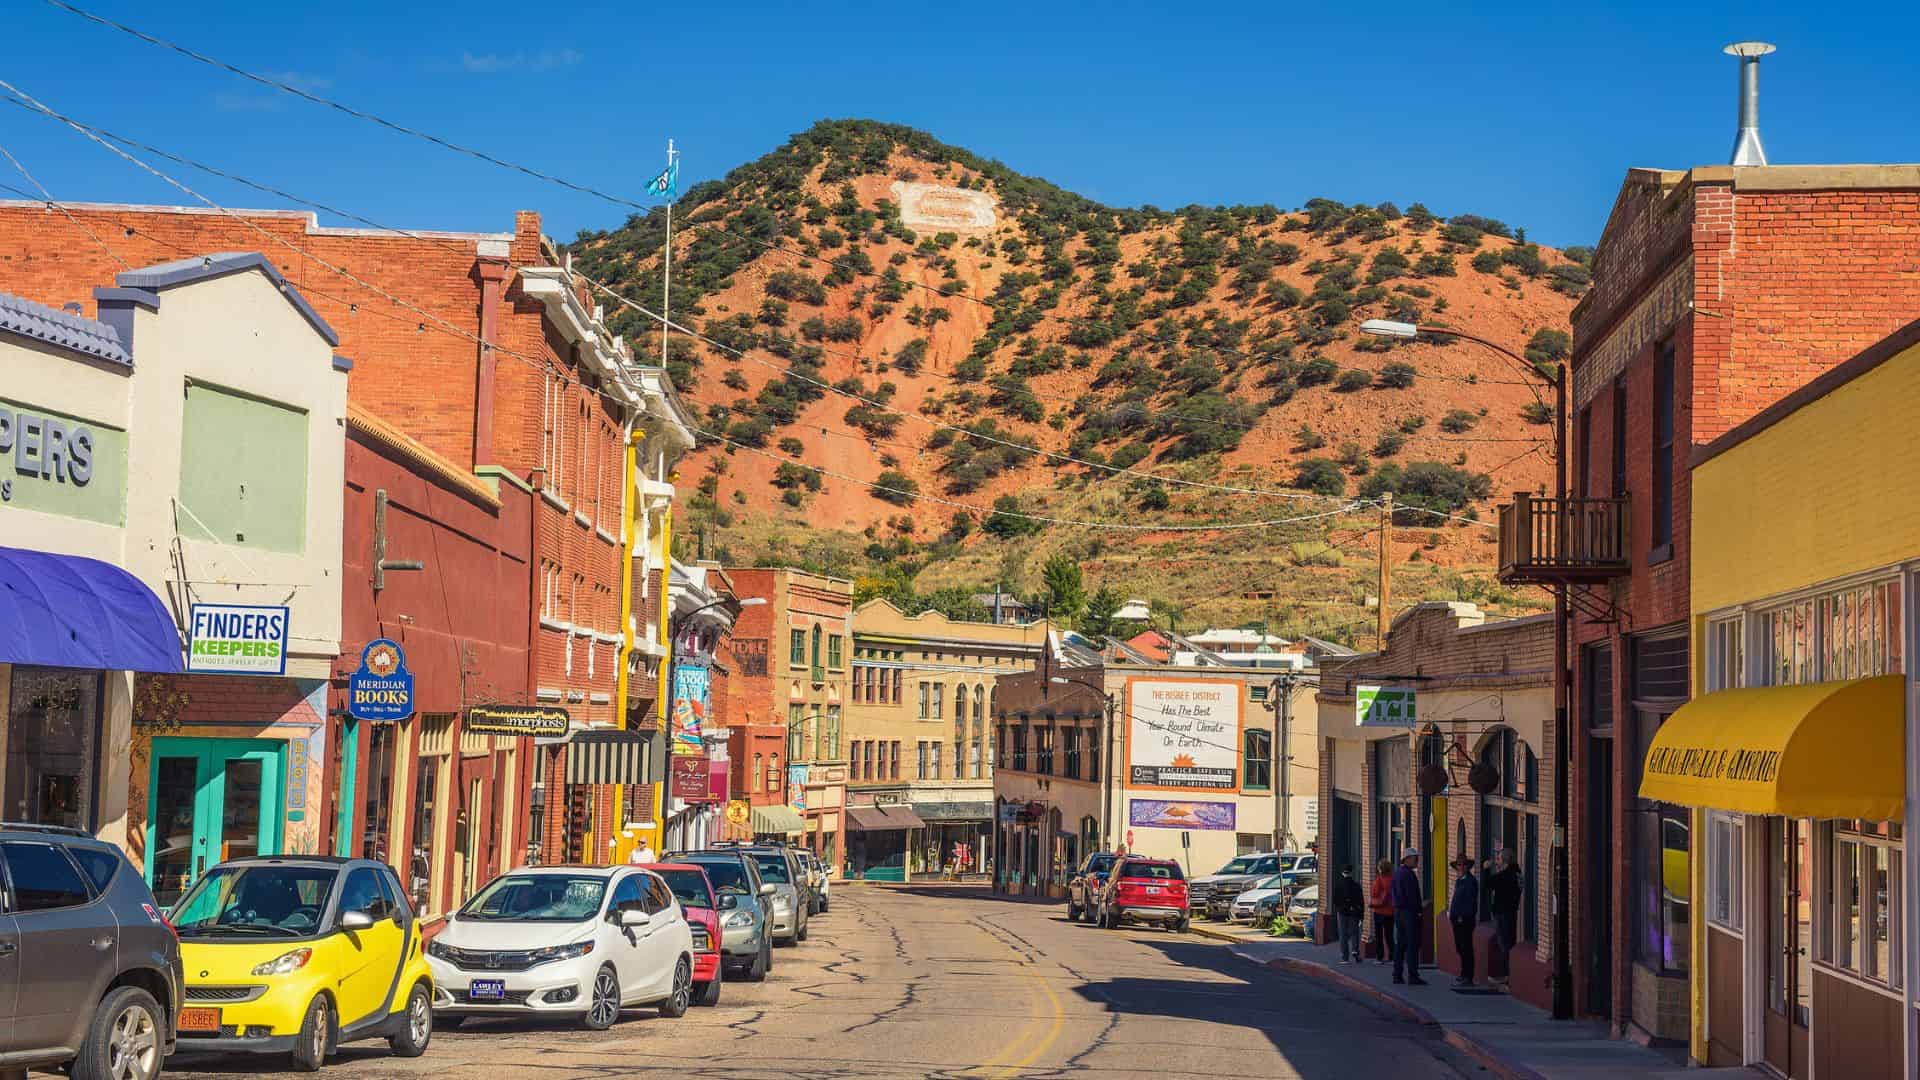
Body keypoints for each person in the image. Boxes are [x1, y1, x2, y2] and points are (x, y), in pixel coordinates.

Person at [1485, 848, 1523, 990]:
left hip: (1504, 912)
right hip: (1510, 912)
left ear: (1505, 861)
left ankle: (1507, 975)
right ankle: (1507, 975)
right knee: (1507, 942)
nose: (1497, 862)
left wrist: (1486, 869)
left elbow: (1488, 884)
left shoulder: (1507, 875)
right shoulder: (1516, 873)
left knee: (1505, 944)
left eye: (1499, 859)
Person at [1390, 848, 1426, 985]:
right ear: (1407, 859)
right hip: (1409, 913)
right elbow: (1412, 897)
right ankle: (1413, 975)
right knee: (1412, 944)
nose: (1417, 861)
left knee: (1400, 944)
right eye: (1415, 859)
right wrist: (1418, 911)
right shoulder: (1408, 875)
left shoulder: (1397, 873)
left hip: (1399, 912)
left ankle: (1397, 974)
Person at [1448, 855, 1480, 987]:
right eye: (1459, 865)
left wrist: (1463, 915)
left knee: (1466, 947)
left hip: (1464, 919)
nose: (1461, 867)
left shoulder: (1470, 881)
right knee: (1460, 947)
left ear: (1468, 867)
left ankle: (1468, 976)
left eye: (1463, 865)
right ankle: (1463, 973)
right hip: (1456, 919)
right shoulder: (1459, 880)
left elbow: (1470, 902)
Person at [1332, 865, 1365, 963]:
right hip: (1354, 912)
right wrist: (1361, 914)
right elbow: (1361, 900)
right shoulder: (1356, 885)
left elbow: (1335, 900)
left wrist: (1339, 907)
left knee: (1343, 934)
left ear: (1342, 873)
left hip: (1342, 912)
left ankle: (1345, 957)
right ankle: (1355, 950)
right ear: (1351, 873)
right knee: (1354, 932)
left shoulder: (1338, 885)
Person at [1369, 858, 1396, 964]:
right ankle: (1392, 956)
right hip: (1391, 911)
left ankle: (1379, 957)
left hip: (1380, 911)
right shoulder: (1393, 879)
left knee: (1379, 935)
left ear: (1381, 869)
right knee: (1389, 935)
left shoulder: (1379, 880)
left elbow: (1375, 893)